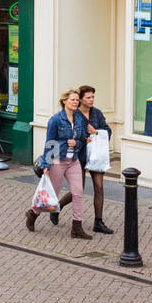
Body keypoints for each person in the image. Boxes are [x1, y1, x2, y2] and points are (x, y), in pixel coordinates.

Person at [27, 88, 92, 238]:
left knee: (78, 193)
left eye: (77, 100)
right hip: (58, 160)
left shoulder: (80, 118)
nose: (75, 102)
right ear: (64, 101)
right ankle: (32, 214)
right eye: (72, 100)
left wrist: (77, 142)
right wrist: (46, 166)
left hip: (73, 160)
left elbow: (83, 137)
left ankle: (76, 228)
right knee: (51, 196)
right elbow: (50, 142)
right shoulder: (56, 119)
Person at [51, 85, 114, 234]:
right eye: (88, 97)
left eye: (93, 97)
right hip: (79, 156)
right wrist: (83, 137)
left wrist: (97, 131)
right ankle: (57, 207)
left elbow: (108, 129)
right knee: (77, 190)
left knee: (99, 187)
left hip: (96, 156)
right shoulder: (76, 114)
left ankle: (98, 222)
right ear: (81, 99)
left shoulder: (97, 114)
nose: (91, 100)